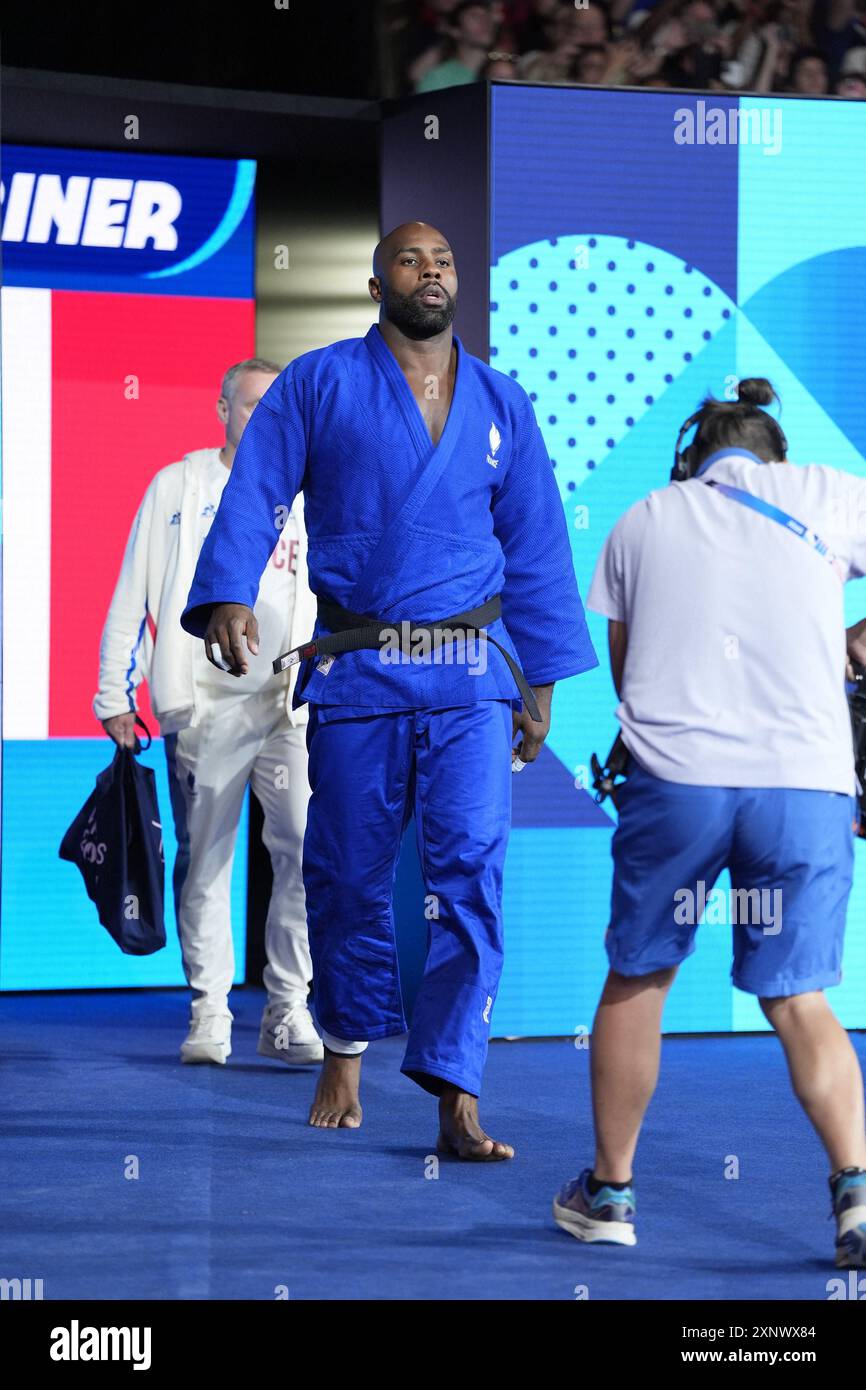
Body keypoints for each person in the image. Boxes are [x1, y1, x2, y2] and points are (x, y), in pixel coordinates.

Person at [181, 222, 598, 1159]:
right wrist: (228, 597)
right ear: (377, 284)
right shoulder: (321, 383)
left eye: (444, 261)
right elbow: (255, 491)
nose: (433, 272)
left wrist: (541, 686)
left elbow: (535, 547)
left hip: (469, 675)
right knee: (344, 871)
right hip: (361, 668)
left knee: (472, 874)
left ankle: (456, 1088)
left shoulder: (501, 399)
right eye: (412, 260)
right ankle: (346, 1044)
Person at [554, 379, 866, 1269]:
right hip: (804, 787)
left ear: (689, 459)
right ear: (774, 453)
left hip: (678, 784)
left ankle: (610, 1195)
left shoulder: (643, 517)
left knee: (639, 980)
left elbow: (627, 677)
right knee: (800, 998)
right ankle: (856, 1201)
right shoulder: (826, 492)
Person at [94, 360, 322, 1070]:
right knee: (208, 864)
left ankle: (287, 1008)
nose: (262, 417)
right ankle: (210, 1012)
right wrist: (113, 692)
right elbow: (133, 590)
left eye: (273, 406)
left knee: (306, 856)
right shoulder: (179, 485)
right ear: (222, 407)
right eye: (250, 405)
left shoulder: (309, 493)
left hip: (289, 703)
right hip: (206, 708)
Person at [413, 1, 501, 91]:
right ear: (455, 31)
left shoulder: (504, 69)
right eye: (475, 17)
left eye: (487, 16)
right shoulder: (438, 80)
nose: (485, 22)